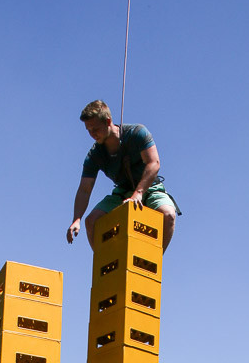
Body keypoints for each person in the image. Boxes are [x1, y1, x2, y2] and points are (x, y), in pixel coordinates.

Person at [66, 99, 179, 251]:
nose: (92, 134)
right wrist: (76, 219)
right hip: (122, 193)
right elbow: (85, 189)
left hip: (150, 188)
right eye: (88, 130)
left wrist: (138, 193)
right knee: (91, 221)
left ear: (108, 121)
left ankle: (153, 263)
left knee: (168, 215)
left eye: (95, 129)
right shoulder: (95, 155)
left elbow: (154, 163)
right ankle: (107, 267)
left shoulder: (136, 133)